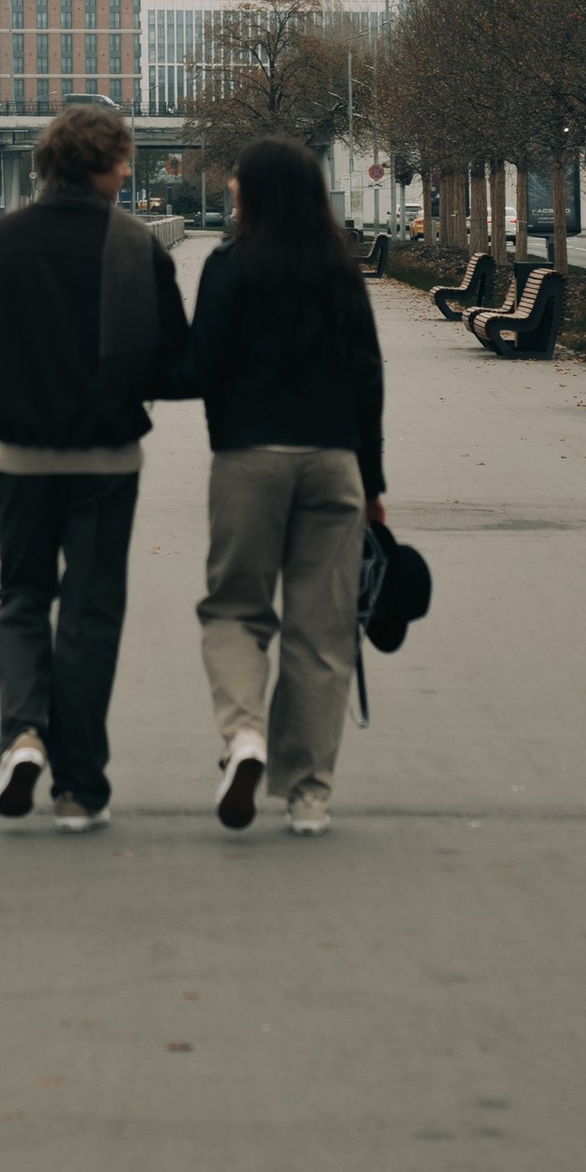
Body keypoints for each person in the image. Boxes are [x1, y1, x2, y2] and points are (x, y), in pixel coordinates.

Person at [0, 101, 188, 832]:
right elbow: (172, 360)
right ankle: (79, 787)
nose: (129, 172)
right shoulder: (133, 245)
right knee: (89, 613)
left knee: (22, 596)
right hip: (106, 459)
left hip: (22, 458)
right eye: (123, 160)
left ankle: (23, 733)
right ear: (104, 165)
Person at [157, 134, 387, 837]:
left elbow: (196, 371)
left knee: (235, 609)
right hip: (334, 464)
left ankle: (246, 736)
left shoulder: (230, 267)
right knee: (323, 633)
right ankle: (310, 795)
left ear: (254, 192)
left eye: (236, 181)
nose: (229, 188)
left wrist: (127, 370)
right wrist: (372, 481)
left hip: (250, 461)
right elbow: (367, 379)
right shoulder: (339, 271)